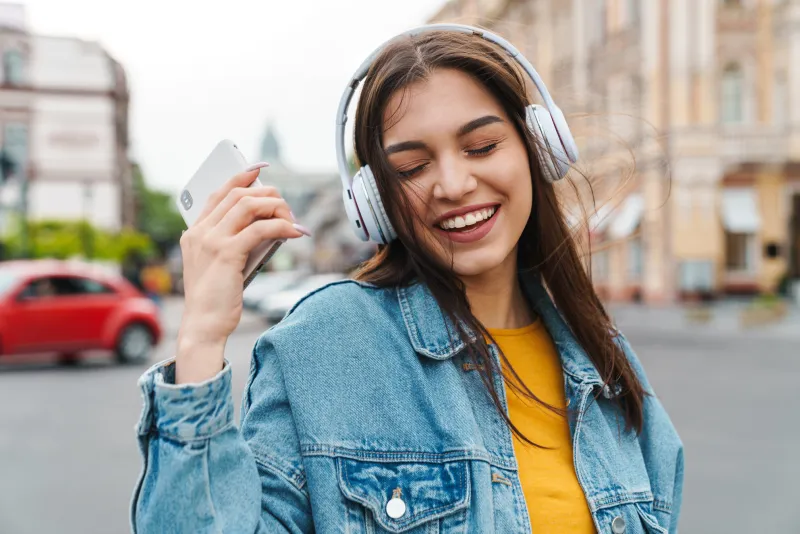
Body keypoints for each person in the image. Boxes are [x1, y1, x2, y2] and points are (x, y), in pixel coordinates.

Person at [132, 25, 683, 534]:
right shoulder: (327, 342)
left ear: (539, 146)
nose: (453, 183)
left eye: (483, 146)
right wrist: (201, 336)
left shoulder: (605, 362)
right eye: (411, 168)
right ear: (375, 202)